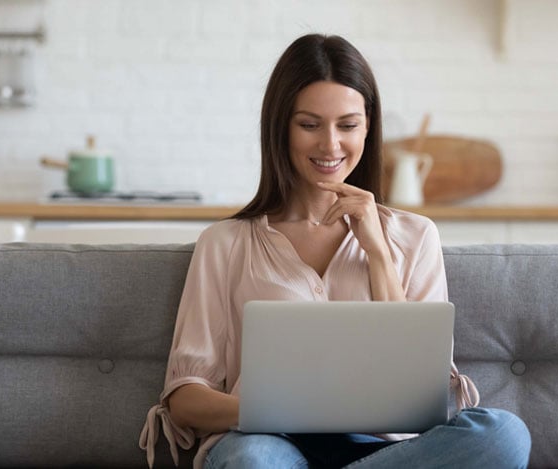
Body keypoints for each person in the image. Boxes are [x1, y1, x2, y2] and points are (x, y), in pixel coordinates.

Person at [140, 33, 531, 469]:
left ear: (368, 126)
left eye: (347, 125)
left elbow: (422, 390)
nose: (330, 145)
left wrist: (379, 253)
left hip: (386, 450)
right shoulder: (225, 244)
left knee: (504, 435)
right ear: (281, 128)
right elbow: (185, 399)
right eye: (309, 124)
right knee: (253, 459)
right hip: (270, 443)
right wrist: (275, 411)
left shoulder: (416, 235)